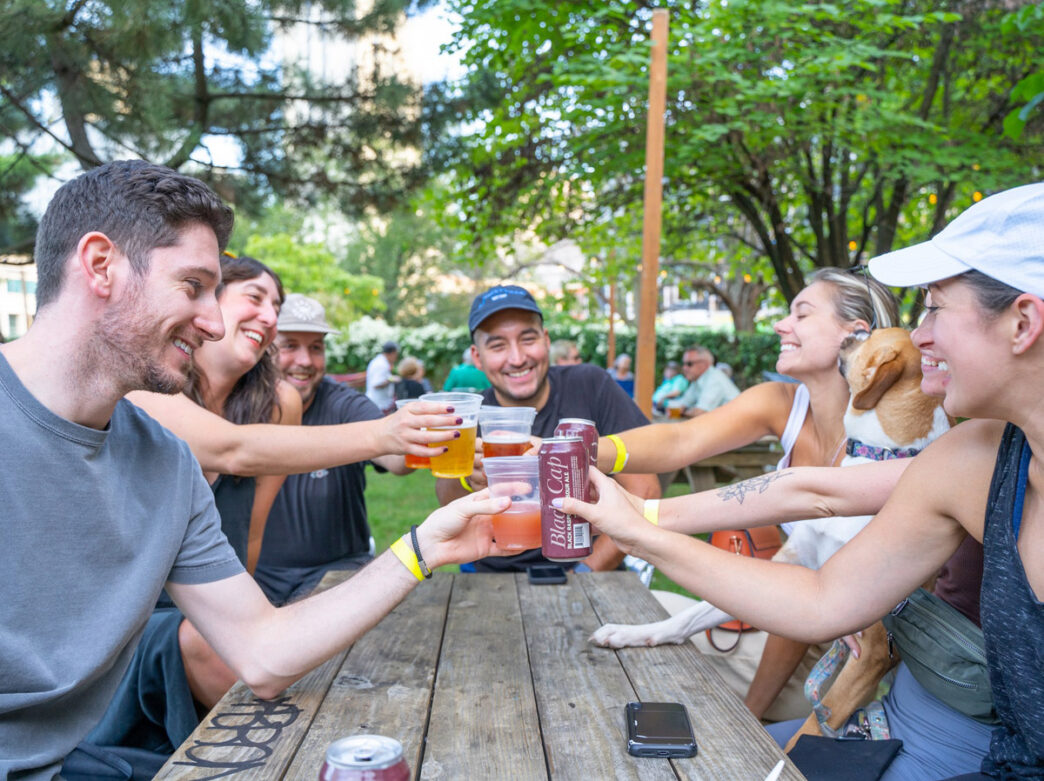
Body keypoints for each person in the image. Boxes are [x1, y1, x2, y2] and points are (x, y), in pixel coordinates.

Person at [0, 160, 510, 780]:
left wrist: (422, 547)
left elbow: (263, 652)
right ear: (101, 264)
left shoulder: (166, 462)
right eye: (193, 286)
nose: (214, 321)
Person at [568, 183, 1044, 780]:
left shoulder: (951, 443)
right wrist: (639, 520)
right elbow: (810, 504)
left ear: (1023, 321)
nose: (920, 336)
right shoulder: (977, 455)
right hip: (902, 718)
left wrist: (643, 525)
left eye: (936, 309)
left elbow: (813, 504)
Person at [592, 267, 901, 722]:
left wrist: (749, 720)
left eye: (802, 314)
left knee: (632, 665)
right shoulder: (784, 402)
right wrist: (579, 453)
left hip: (829, 665)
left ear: (854, 335)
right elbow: (679, 442)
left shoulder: (895, 442)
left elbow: (805, 601)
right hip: (774, 617)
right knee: (617, 615)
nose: (781, 325)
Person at [83, 253, 300, 771]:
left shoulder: (279, 404)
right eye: (254, 297)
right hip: (119, 625)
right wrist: (386, 433)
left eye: (277, 306)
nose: (270, 316)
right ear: (209, 305)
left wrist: (241, 621)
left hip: (203, 609)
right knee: (219, 649)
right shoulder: (143, 383)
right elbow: (231, 450)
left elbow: (247, 540)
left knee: (262, 648)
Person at [435, 284, 661, 572]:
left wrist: (586, 572)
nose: (517, 358)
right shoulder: (470, 417)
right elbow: (447, 503)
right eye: (498, 345)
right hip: (489, 572)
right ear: (477, 357)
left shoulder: (590, 384)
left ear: (546, 340)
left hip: (586, 567)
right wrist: (466, 478)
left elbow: (646, 488)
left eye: (528, 339)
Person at [256, 294, 411, 606]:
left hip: (339, 573)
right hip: (256, 577)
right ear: (264, 347)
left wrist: (430, 439)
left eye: (316, 347)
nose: (305, 361)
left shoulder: (344, 404)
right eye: (289, 346)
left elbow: (397, 459)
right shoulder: (239, 405)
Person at [674, 344, 740, 417]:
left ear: (704, 364)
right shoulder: (697, 380)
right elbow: (683, 403)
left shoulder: (714, 378)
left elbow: (700, 413)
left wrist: (683, 411)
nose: (684, 368)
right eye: (683, 364)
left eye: (689, 364)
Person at [366, 339, 399, 412]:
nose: (396, 357)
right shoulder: (382, 365)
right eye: (396, 354)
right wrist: (391, 379)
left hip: (378, 403)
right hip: (379, 405)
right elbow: (376, 384)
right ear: (392, 353)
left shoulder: (380, 361)